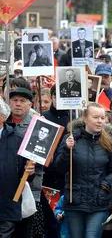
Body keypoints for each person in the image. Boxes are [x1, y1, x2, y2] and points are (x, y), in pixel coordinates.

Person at [55, 103, 112, 238]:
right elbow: (59, 168)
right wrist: (67, 150)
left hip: (99, 202)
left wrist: (105, 186)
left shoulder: (108, 142)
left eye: (102, 117)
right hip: (75, 201)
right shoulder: (71, 139)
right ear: (85, 118)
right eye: (95, 117)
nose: (100, 121)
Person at [7, 88, 44, 238]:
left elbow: (47, 159)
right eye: (15, 100)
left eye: (22, 101)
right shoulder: (3, 122)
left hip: (29, 188)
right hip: (6, 188)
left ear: (30, 105)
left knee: (25, 231)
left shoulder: (39, 125)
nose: (18, 104)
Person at [0, 98, 35, 237]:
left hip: (8, 204)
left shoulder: (18, 139)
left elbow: (25, 174)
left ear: (2, 117)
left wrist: (29, 171)